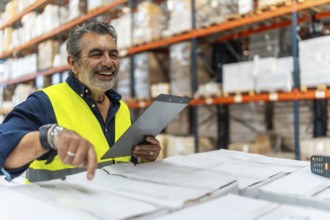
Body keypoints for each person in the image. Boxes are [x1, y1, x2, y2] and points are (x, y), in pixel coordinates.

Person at [0, 21, 161, 182]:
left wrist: (143, 156)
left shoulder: (121, 109)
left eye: (113, 55)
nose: (108, 62)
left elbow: (125, 164)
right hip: (59, 206)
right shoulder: (45, 102)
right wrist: (48, 137)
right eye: (96, 54)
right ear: (73, 64)